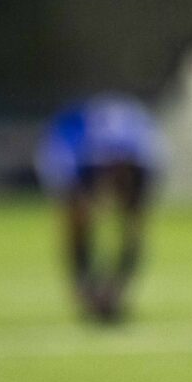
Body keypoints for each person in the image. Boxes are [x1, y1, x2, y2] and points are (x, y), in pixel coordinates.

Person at [35, 93, 164, 323]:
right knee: (78, 223)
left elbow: (136, 225)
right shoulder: (70, 151)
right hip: (77, 153)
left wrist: (119, 286)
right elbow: (72, 212)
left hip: (124, 153)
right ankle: (85, 288)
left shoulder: (145, 155)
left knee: (133, 225)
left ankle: (113, 291)